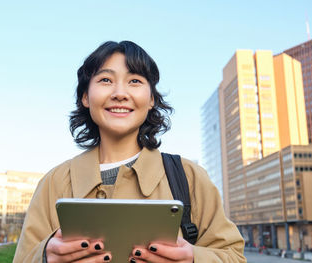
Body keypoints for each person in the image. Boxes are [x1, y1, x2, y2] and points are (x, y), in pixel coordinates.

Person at [13, 41, 246, 262]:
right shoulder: (54, 182)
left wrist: (193, 258)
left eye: (134, 81)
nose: (120, 93)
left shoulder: (189, 176)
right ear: (85, 96)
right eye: (105, 80)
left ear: (152, 99)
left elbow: (234, 257)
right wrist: (45, 256)